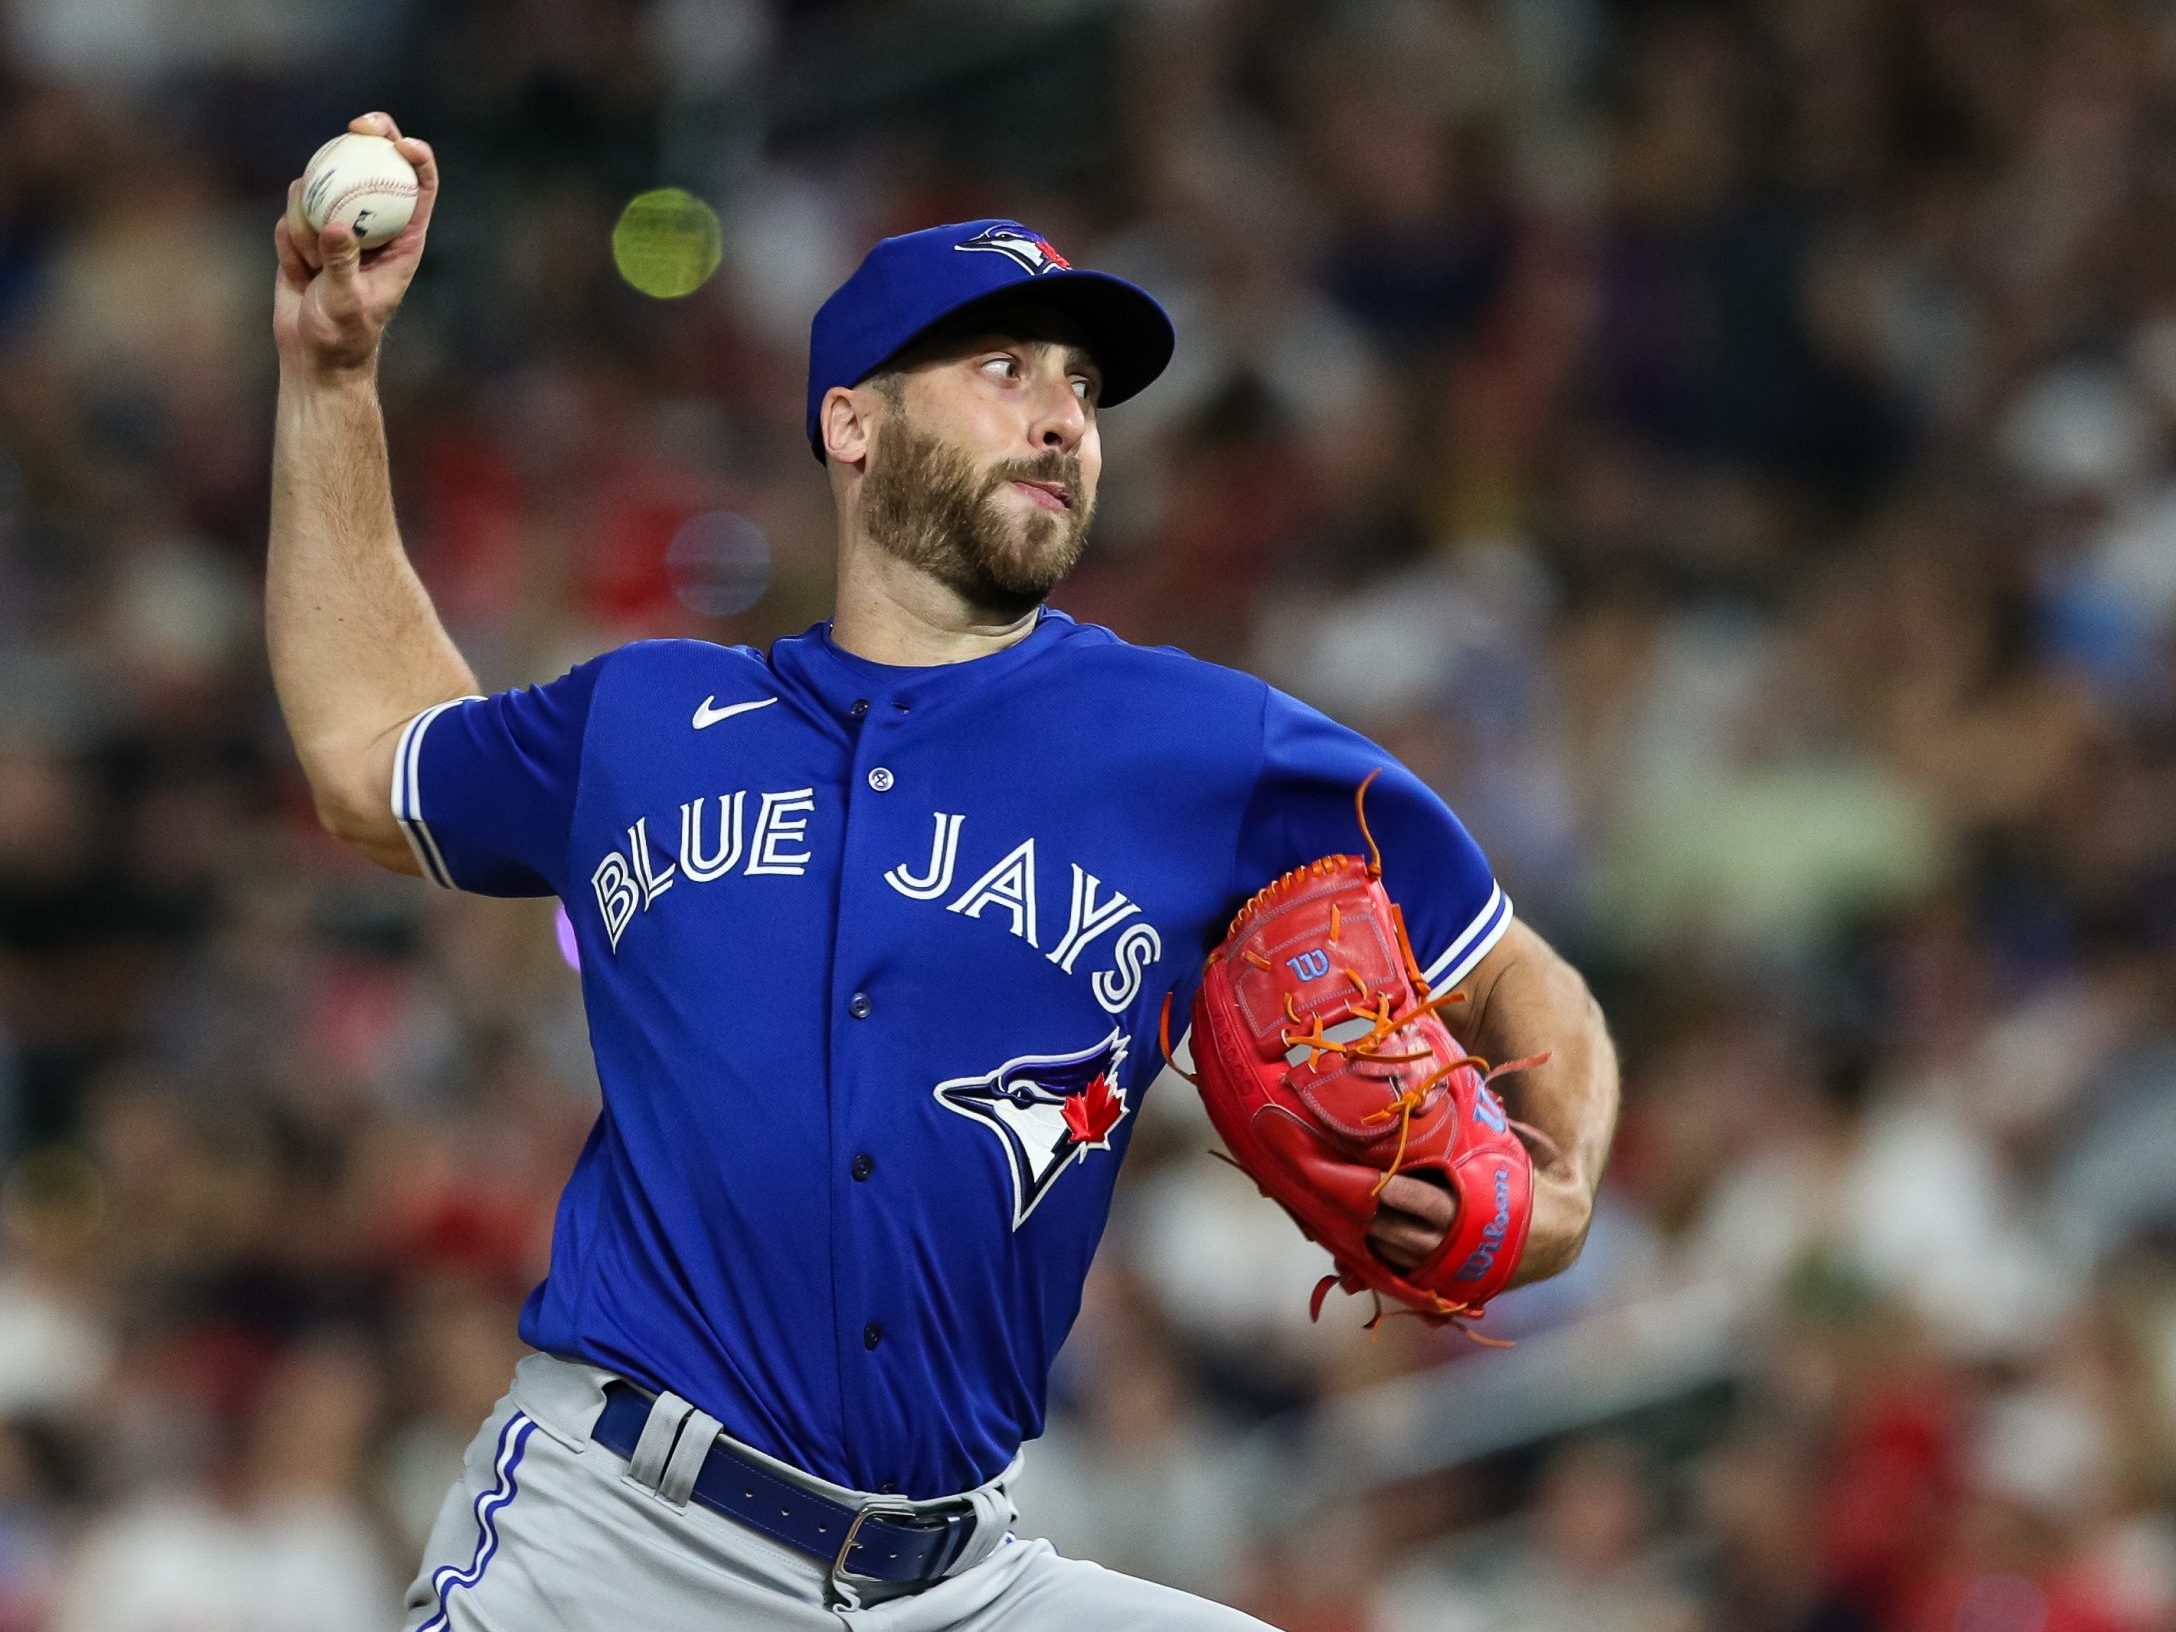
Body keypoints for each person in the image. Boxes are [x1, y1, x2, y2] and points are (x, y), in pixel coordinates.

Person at [268, 111, 1620, 1630]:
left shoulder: (1206, 745)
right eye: (1006, 370)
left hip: (959, 1580)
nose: (1062, 417)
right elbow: (368, 755)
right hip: (619, 1545)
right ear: (855, 423)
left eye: (1083, 387)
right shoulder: (648, 718)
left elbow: (1510, 967)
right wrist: (331, 376)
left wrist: (1560, 1189)